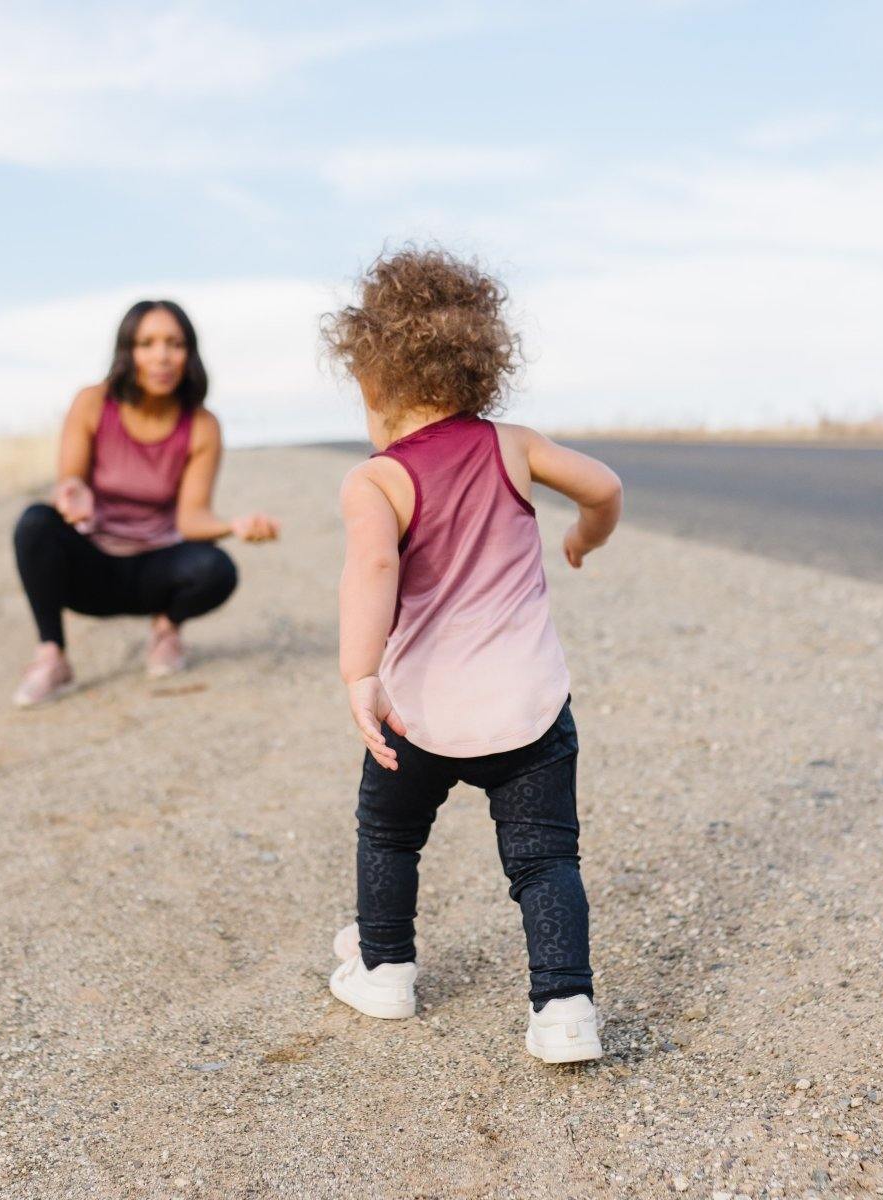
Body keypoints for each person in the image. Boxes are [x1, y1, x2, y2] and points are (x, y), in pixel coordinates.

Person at [321, 247, 622, 1063]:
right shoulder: (514, 445)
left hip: (418, 710)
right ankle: (565, 1007)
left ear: (376, 383)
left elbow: (373, 570)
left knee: (388, 835)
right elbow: (604, 489)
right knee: (545, 859)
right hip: (527, 706)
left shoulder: (376, 481)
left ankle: (385, 965)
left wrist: (360, 675)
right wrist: (582, 537)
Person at [11, 300, 280, 707]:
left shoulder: (202, 425)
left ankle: (166, 630)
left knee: (217, 568)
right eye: (147, 343)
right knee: (35, 523)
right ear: (128, 352)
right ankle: (52, 656)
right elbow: (68, 481)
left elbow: (191, 519)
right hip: (92, 569)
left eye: (174, 343)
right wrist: (72, 491)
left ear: (189, 353)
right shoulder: (92, 402)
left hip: (155, 573)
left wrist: (234, 527)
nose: (162, 355)